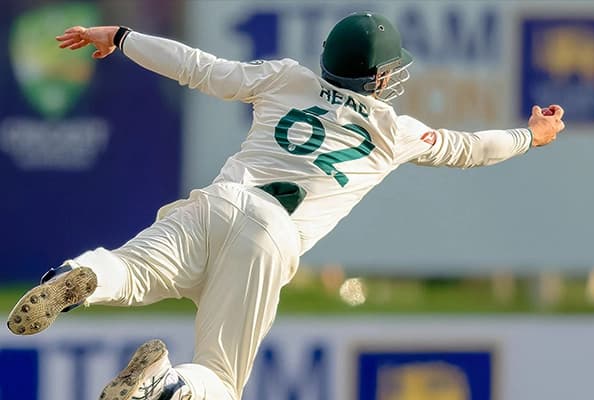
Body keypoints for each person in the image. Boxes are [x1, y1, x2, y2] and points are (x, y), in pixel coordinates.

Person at [7, 11, 565, 400]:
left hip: (219, 202)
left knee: (126, 271)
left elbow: (197, 66)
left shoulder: (286, 79)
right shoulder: (394, 130)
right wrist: (531, 136)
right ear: (380, 76)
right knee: (220, 380)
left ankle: (79, 273)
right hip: (270, 237)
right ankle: (167, 385)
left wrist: (123, 37)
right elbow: (471, 149)